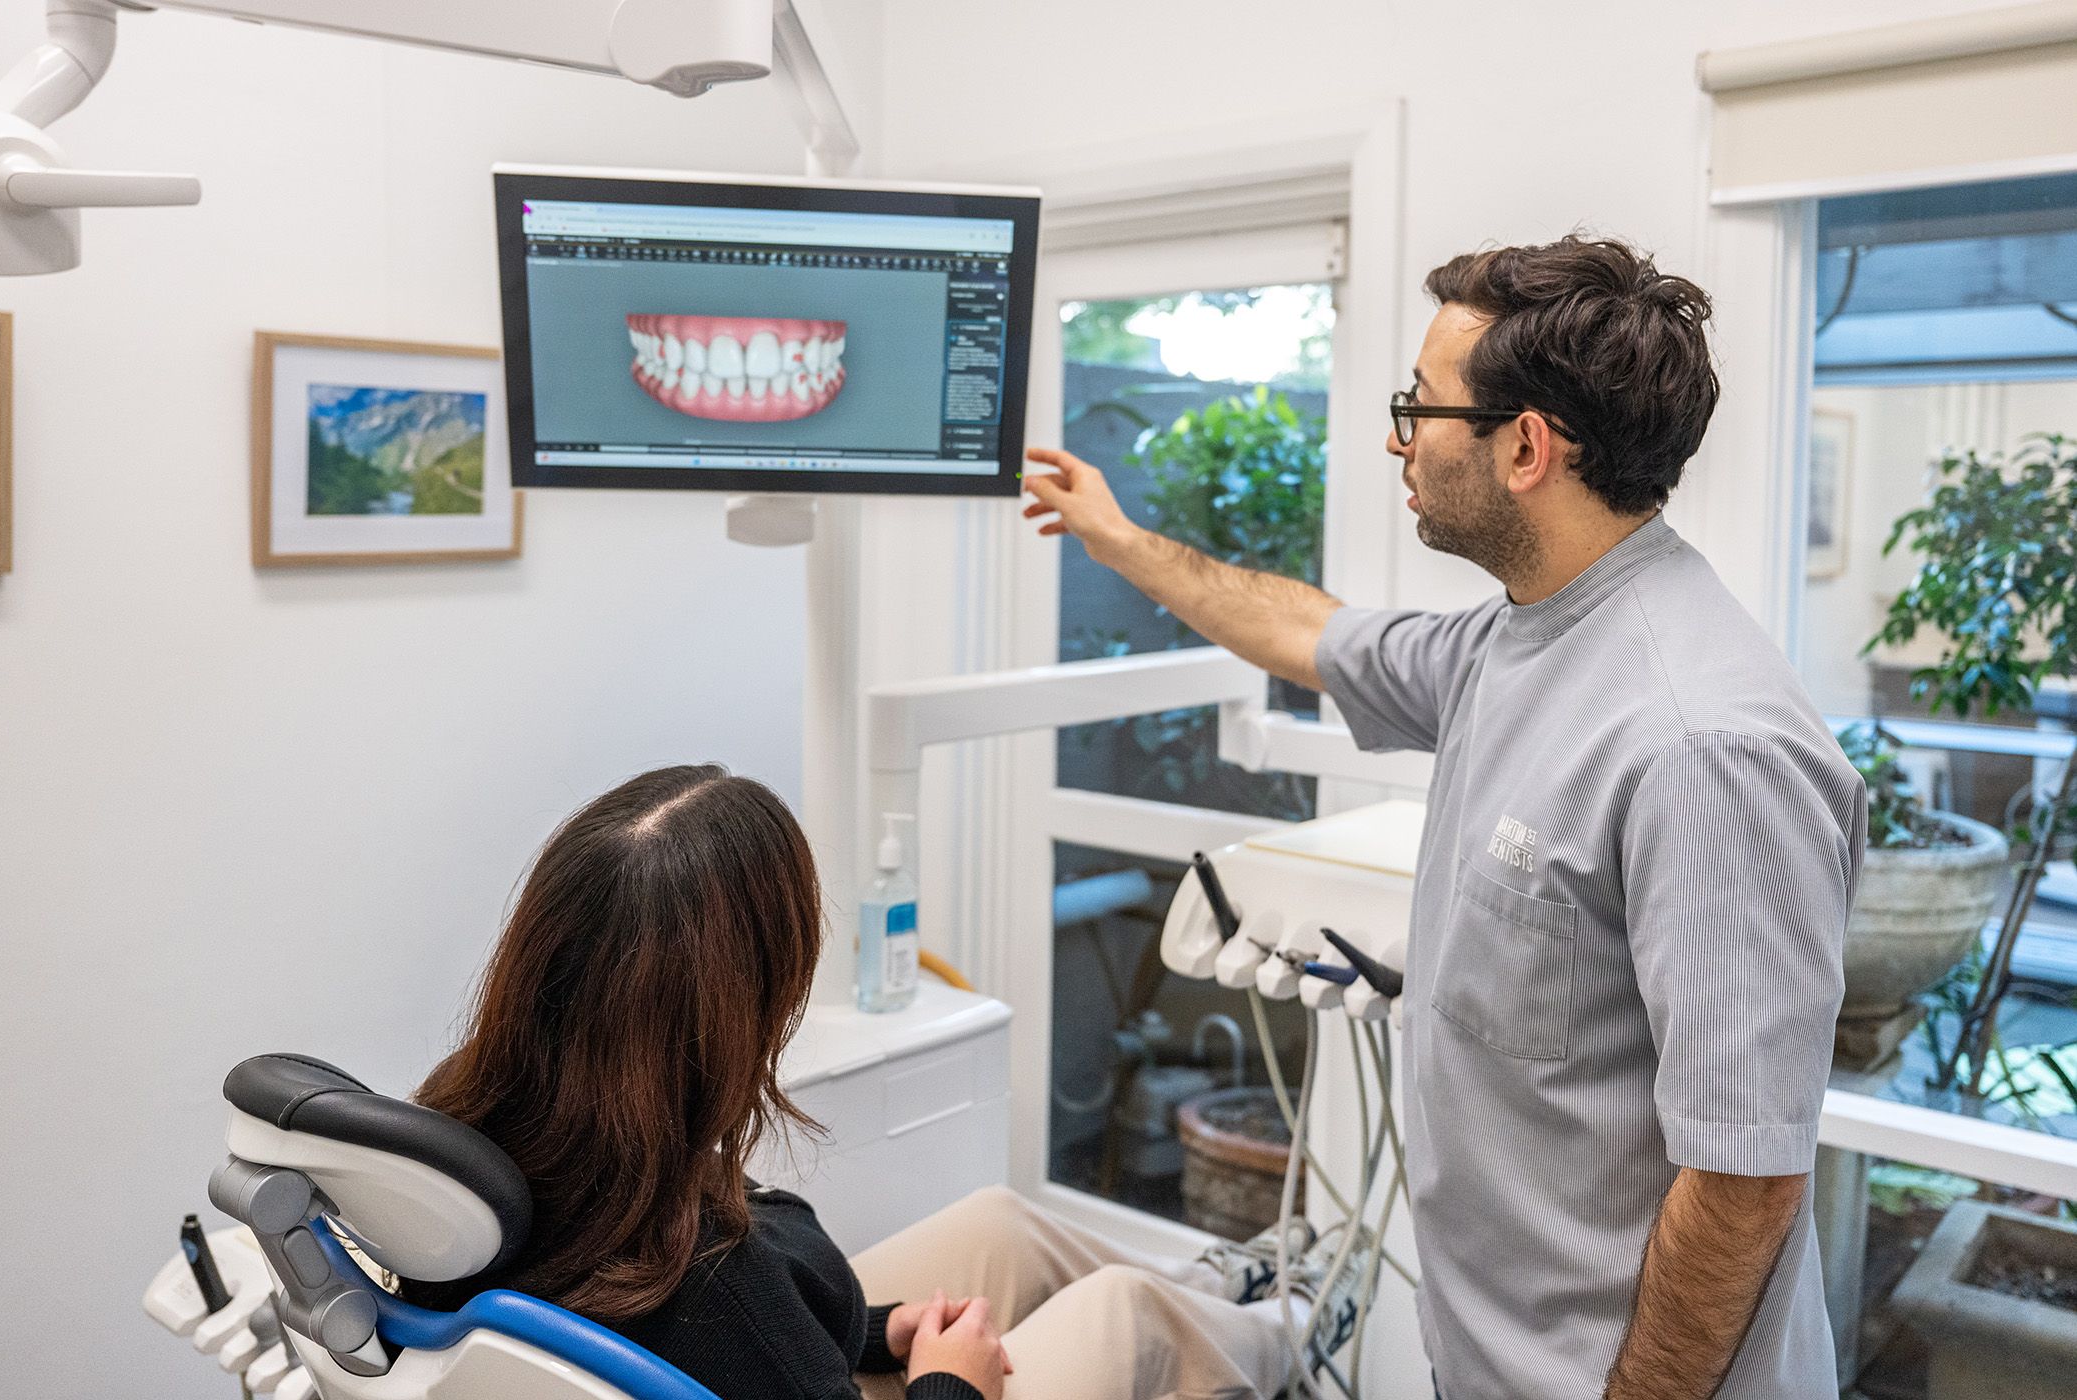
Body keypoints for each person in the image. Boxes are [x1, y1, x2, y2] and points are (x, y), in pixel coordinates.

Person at [1021, 236, 1868, 1399]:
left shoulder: (1704, 745)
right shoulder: (1512, 635)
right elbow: (1303, 629)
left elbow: (1746, 1178)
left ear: (1526, 445)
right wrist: (1122, 541)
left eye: (1419, 406)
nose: (1396, 435)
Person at [400, 764, 1346, 1400]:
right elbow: (750, 1325)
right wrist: (948, 1381)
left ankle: (1214, 1286)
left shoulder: (466, 1135)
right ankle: (1297, 1324)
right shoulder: (720, 1289)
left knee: (997, 1223)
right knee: (1124, 1317)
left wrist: (879, 1332)